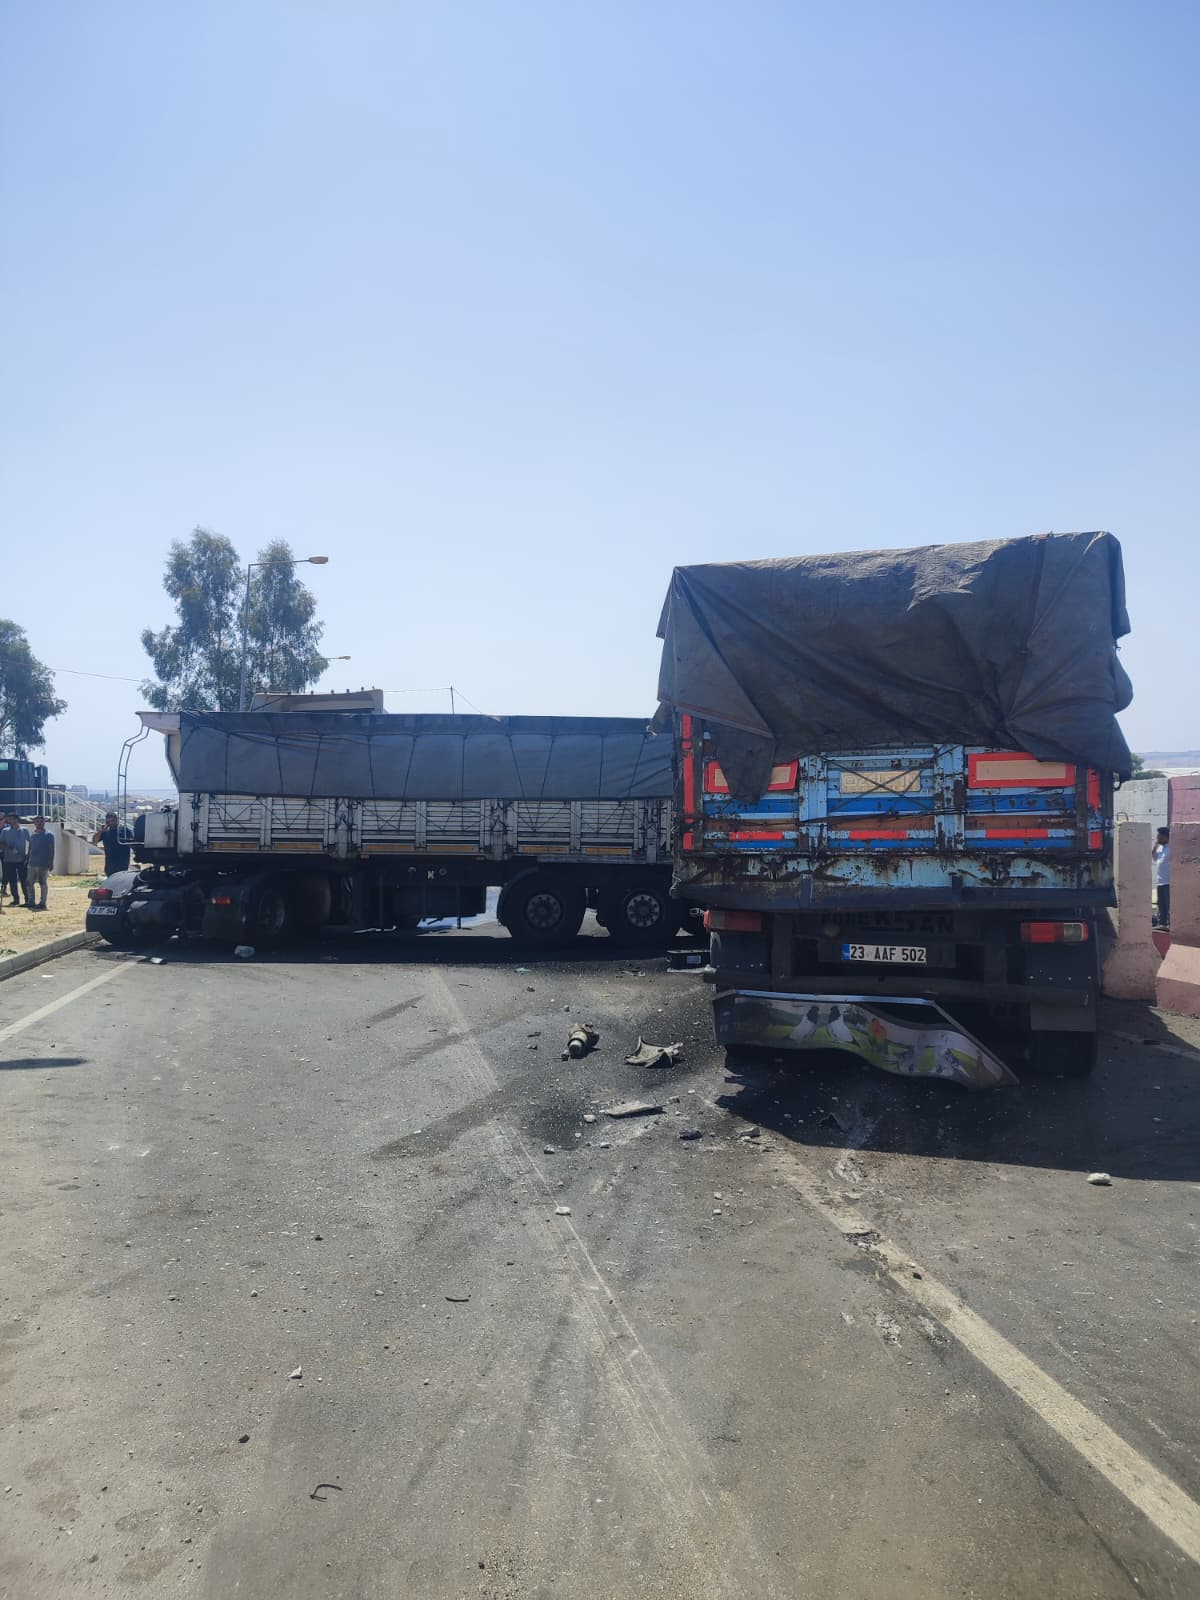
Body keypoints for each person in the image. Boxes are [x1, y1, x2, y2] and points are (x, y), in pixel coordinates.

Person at [1, 813, 30, 907]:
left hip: (21, 859)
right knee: (12, 880)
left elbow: (31, 842)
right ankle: (15, 899)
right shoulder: (5, 831)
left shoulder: (24, 830)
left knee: (24, 880)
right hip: (9, 860)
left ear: (16, 820)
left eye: (11, 819)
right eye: (8, 819)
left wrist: (28, 855)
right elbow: (1, 843)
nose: (9, 821)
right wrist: (9, 848)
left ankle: (27, 899)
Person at [26, 815, 55, 910]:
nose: (39, 823)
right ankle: (31, 902)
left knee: (43, 883)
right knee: (29, 883)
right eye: (37, 821)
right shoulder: (33, 835)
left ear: (44, 823)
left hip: (43, 863)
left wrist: (51, 862)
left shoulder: (48, 835)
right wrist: (27, 859)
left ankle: (42, 903)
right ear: (34, 823)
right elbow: (30, 848)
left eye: (41, 821)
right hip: (32, 863)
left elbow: (51, 849)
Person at [92, 812, 132, 877]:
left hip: (122, 862)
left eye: (112, 821)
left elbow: (132, 843)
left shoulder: (125, 831)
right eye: (108, 822)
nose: (110, 823)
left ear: (117, 820)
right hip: (109, 863)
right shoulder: (105, 832)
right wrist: (100, 831)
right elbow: (94, 841)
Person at [1154, 826, 1171, 929]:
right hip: (1160, 881)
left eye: (1159, 836)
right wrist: (1156, 844)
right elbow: (1153, 856)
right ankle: (1162, 923)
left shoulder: (1170, 849)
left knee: (1168, 904)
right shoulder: (1160, 848)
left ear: (1166, 837)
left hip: (1168, 882)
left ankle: (1169, 923)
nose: (1158, 838)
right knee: (1161, 904)